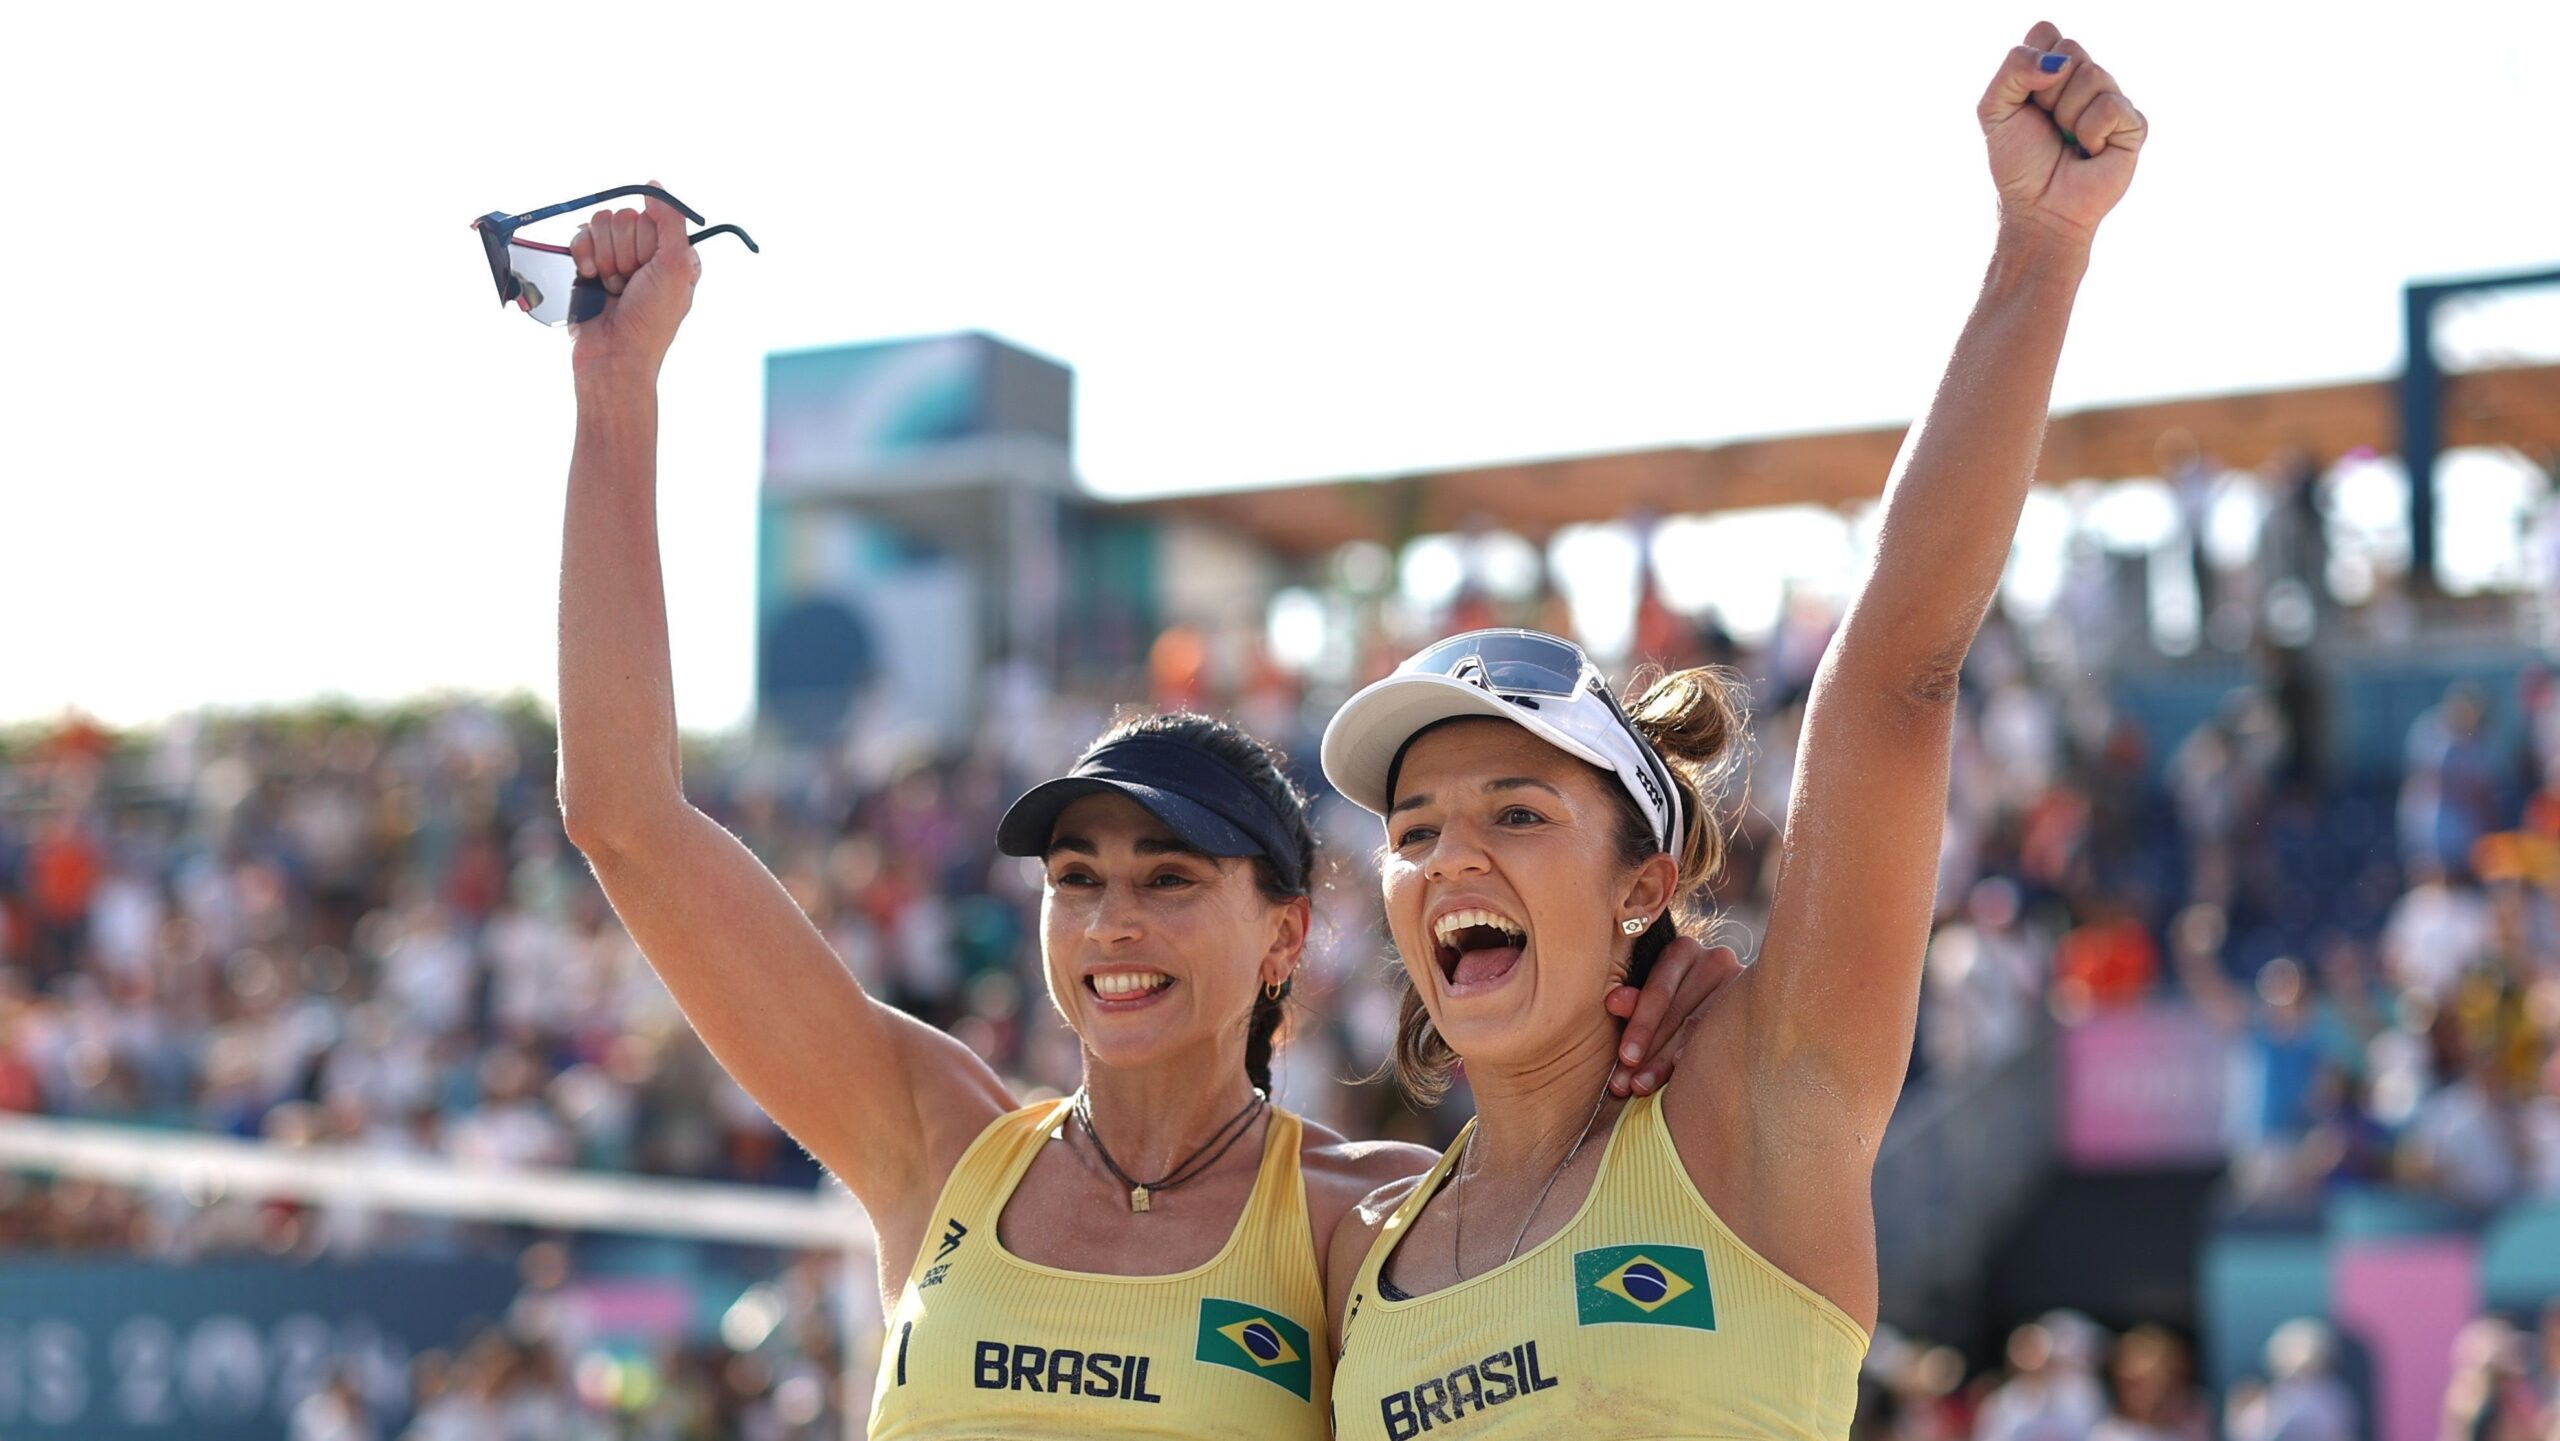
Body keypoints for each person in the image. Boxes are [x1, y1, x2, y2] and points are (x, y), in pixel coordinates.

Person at [549, 193, 1738, 1437]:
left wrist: (1683, 1001)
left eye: (1170, 878)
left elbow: (1633, 1235)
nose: (1113, 920)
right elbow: (624, 816)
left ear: (1286, 935)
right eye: (1077, 877)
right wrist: (614, 390)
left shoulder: (1365, 1222)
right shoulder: (937, 1144)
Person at [1315, 26, 2146, 1438]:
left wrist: (2041, 243)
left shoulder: (1757, 1115)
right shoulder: (1351, 1248)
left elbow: (1894, 679)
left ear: (1647, 884)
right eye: (1413, 831)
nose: (1452, 858)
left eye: (1517, 811)